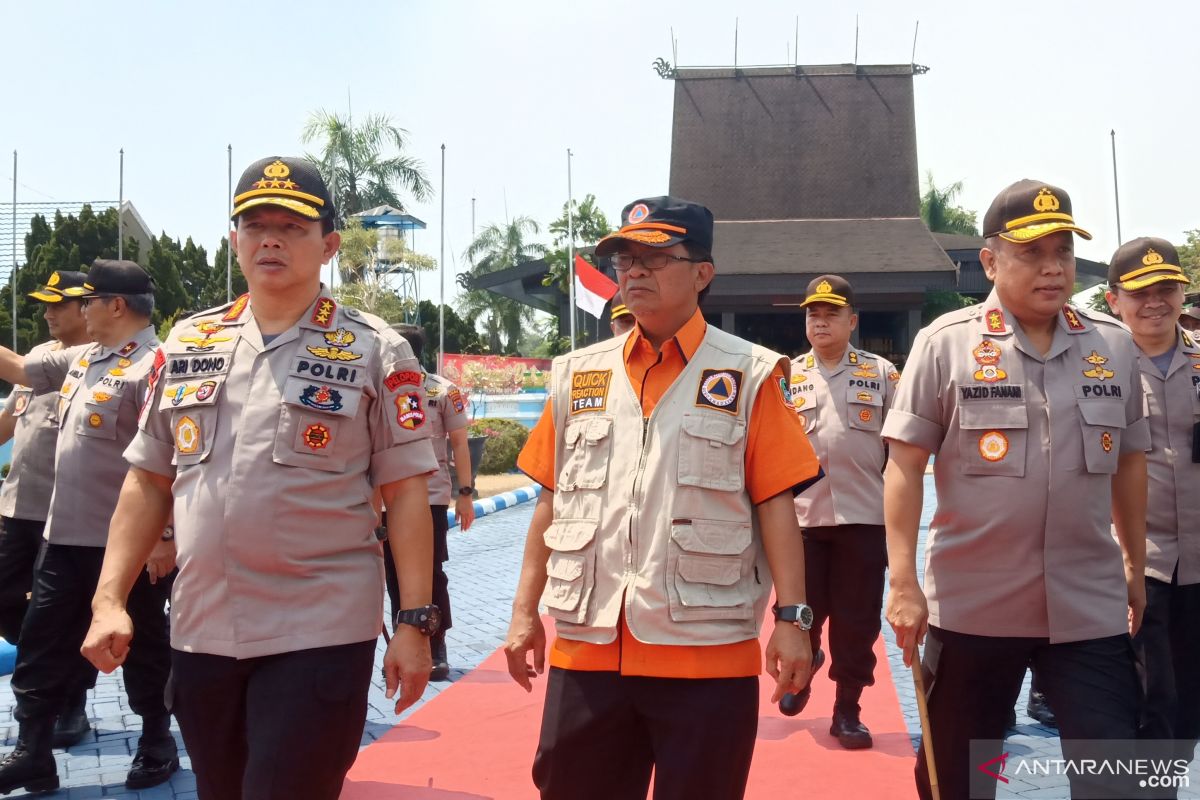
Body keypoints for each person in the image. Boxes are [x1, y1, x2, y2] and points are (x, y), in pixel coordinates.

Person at [80, 156, 440, 800]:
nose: (270, 238)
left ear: (328, 245)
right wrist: (110, 598)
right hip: (204, 627)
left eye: (292, 227)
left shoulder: (374, 349)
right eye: (255, 224)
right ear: (234, 239)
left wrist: (413, 621)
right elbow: (148, 481)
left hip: (320, 627)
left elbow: (407, 491)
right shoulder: (190, 342)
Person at [504, 196, 822, 800]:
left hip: (705, 653)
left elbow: (776, 504)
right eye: (626, 259)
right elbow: (549, 499)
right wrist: (524, 614)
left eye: (655, 258)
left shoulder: (751, 375)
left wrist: (792, 618)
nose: (634, 273)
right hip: (588, 649)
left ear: (702, 273)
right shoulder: (578, 374)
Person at [883, 179, 1149, 800]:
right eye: (1031, 253)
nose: (1052, 268)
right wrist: (902, 580)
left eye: (1062, 251)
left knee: (1116, 776)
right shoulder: (946, 344)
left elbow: (1130, 462)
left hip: (1089, 606)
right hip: (974, 606)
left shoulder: (1111, 345)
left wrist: (1134, 562)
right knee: (958, 780)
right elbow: (902, 466)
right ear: (990, 260)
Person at [0, 259, 177, 794]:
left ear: (115, 306)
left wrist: (163, 539)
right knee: (40, 641)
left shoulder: (158, 366)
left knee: (143, 647)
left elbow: (174, 461)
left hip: (128, 545)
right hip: (64, 538)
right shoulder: (83, 358)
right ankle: (33, 751)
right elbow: (19, 371)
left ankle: (154, 739)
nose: (81, 310)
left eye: (88, 301)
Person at [778, 275, 898, 750]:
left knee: (857, 620)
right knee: (802, 613)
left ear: (852, 320)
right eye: (813, 313)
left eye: (831, 313)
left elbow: (900, 449)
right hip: (801, 521)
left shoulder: (883, 374)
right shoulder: (786, 375)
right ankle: (802, 673)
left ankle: (848, 709)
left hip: (864, 519)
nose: (820, 320)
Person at [1104, 237, 1200, 760]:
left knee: (1187, 703)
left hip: (1199, 564)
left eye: (1166, 288)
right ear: (1114, 299)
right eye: (1140, 292)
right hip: (1136, 562)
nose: (1155, 302)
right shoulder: (1094, 371)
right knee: (1148, 695)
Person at [0, 270, 94, 749]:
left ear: (89, 306)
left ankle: (70, 701)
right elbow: (10, 422)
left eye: (59, 304)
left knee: (64, 613)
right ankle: (57, 676)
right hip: (19, 507)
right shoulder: (37, 356)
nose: (48, 313)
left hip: (71, 515)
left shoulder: (100, 360)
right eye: (46, 305)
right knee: (13, 604)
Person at [384, 323, 475, 681]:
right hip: (387, 498)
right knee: (394, 577)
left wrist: (465, 494)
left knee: (432, 575)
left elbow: (460, 442)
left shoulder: (443, 390)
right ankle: (402, 644)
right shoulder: (381, 389)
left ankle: (436, 644)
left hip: (431, 497)